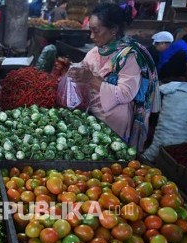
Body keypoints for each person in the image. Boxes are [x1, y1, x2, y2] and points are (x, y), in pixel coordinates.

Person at [68, 2, 159, 152]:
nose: (91, 36)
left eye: (96, 31)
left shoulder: (130, 56)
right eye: (90, 31)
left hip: (114, 123)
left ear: (113, 30)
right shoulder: (96, 51)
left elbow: (125, 94)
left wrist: (91, 79)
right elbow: (84, 67)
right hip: (93, 116)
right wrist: (76, 71)